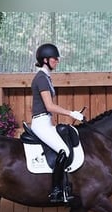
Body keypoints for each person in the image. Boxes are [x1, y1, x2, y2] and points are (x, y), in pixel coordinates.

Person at [31, 43, 84, 203]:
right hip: (40, 123)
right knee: (63, 150)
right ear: (45, 60)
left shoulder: (46, 77)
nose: (57, 61)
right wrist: (71, 113)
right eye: (55, 58)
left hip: (46, 122)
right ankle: (56, 191)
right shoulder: (41, 78)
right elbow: (49, 106)